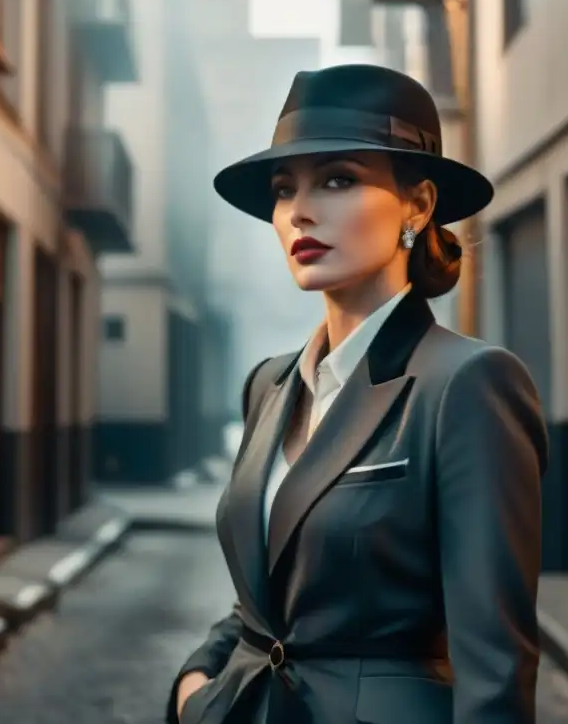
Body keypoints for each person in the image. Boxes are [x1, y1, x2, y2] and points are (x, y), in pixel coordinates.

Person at [167, 64, 547, 724]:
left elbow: (495, 668)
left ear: (419, 205)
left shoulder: (467, 384)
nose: (299, 212)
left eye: (338, 180)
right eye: (285, 190)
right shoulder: (269, 383)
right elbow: (265, 592)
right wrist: (198, 681)